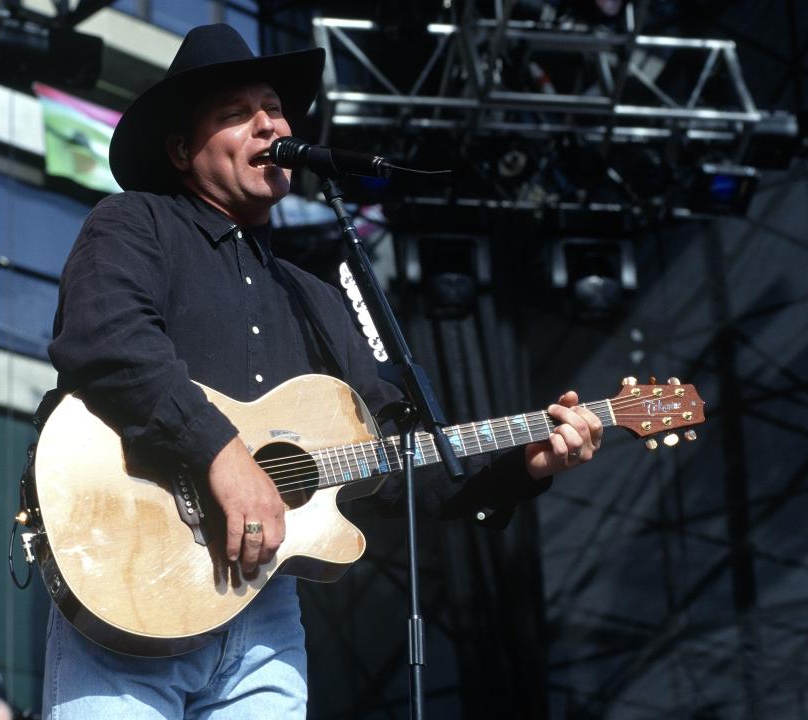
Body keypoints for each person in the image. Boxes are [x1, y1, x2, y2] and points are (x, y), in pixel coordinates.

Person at [43, 22, 603, 719]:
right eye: (235, 114)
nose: (269, 124)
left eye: (274, 108)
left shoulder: (317, 299)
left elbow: (399, 460)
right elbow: (107, 341)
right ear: (183, 150)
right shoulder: (133, 223)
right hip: (130, 579)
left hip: (266, 621)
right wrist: (223, 455)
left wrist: (528, 464)